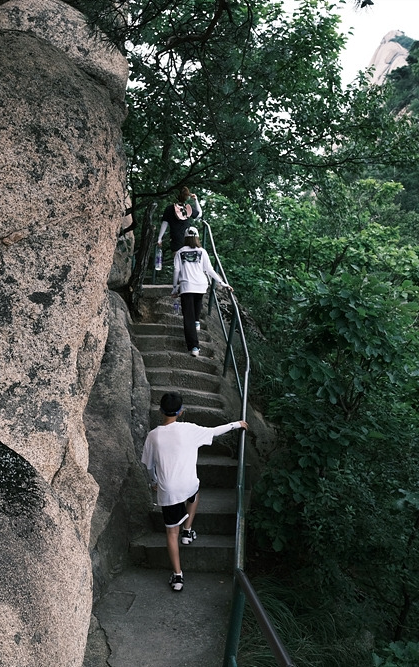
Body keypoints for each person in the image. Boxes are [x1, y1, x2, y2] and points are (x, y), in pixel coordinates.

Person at [141, 392, 248, 592]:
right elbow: (215, 431)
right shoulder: (190, 429)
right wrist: (236, 424)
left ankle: (178, 576)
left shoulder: (153, 435)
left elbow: (149, 466)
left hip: (169, 490)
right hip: (189, 484)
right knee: (195, 494)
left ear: (160, 410)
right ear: (182, 412)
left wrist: (154, 482)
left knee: (171, 532)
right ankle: (188, 531)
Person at [172, 226, 231, 357]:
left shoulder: (180, 252)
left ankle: (194, 347)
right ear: (197, 237)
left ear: (185, 238)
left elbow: (176, 271)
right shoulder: (202, 251)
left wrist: (175, 287)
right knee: (197, 306)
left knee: (188, 318)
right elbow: (209, 270)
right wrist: (222, 282)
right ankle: (197, 321)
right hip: (201, 285)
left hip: (187, 286)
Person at [156, 187, 202, 256]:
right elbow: (199, 214)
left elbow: (164, 223)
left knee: (177, 262)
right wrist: (196, 200)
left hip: (176, 239)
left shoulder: (169, 209)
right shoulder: (187, 208)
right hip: (188, 239)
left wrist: (160, 238)